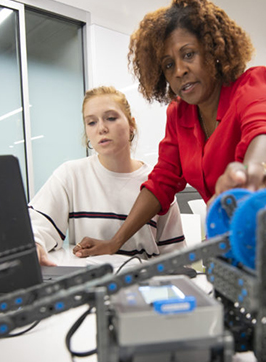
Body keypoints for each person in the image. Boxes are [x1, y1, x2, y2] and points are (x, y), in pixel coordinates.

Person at [74, 0, 266, 258]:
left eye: (189, 54)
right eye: (169, 65)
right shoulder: (178, 115)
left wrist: (248, 178)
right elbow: (162, 182)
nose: (180, 70)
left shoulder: (251, 85)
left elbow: (265, 133)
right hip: (243, 232)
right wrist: (115, 241)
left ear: (212, 51)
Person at [29, 86, 185, 266]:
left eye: (111, 118)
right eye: (91, 122)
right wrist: (36, 245)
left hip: (141, 283)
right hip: (89, 284)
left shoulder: (158, 184)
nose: (101, 128)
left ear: (131, 125)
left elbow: (176, 257)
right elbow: (38, 225)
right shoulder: (70, 175)